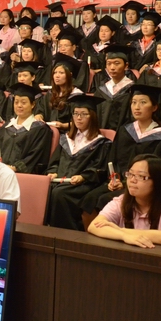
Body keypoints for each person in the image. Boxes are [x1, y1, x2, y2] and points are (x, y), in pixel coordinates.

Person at [80, 84, 161, 224]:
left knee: (104, 200)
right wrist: (114, 180)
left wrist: (127, 182)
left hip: (143, 187)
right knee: (89, 200)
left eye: (143, 102)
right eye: (133, 102)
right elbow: (113, 159)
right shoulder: (125, 131)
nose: (137, 107)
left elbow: (159, 170)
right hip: (118, 182)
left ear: (154, 107)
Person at [46, 95, 112, 230]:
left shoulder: (101, 143)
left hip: (83, 184)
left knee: (60, 194)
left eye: (83, 114)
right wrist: (53, 172)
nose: (79, 118)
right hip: (62, 180)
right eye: (76, 113)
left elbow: (99, 168)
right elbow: (55, 161)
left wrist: (83, 176)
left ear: (92, 117)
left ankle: (66, 233)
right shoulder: (66, 139)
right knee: (46, 189)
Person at [87, 154, 161, 247]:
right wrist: (124, 236)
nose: (132, 180)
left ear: (157, 182)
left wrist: (119, 230)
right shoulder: (120, 202)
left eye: (141, 176)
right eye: (130, 174)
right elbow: (94, 226)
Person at [0, 83, 51, 175]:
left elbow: (35, 155)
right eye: (16, 102)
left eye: (23, 102)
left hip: (24, 176)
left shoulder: (40, 129)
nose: (19, 105)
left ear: (33, 104)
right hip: (0, 172)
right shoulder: (6, 127)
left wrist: (15, 168)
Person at [91, 45, 136, 131]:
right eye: (109, 63)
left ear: (126, 66)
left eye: (117, 63)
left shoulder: (131, 90)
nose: (112, 68)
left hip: (124, 135)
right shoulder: (101, 91)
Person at [34, 55, 84, 132]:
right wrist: (39, 116)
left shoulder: (77, 96)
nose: (57, 76)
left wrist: (63, 126)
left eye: (61, 73)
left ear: (70, 75)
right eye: (55, 73)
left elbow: (82, 122)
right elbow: (41, 109)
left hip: (68, 133)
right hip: (48, 131)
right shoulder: (50, 94)